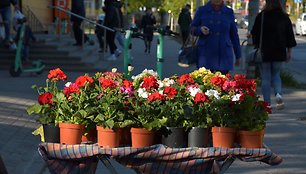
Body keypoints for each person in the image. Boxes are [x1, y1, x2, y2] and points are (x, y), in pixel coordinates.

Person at [251, 0, 296, 109]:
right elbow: (290, 35)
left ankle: (267, 103)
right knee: (276, 75)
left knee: (265, 77)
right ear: (279, 4)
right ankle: (278, 95)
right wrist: (289, 51)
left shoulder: (262, 16)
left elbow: (254, 32)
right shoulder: (284, 17)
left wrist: (256, 44)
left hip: (264, 52)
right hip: (279, 52)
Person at [190, 0, 241, 74]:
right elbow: (192, 28)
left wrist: (238, 55)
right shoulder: (202, 10)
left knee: (223, 83)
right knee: (205, 83)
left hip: (223, 56)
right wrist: (200, 30)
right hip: (205, 55)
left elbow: (234, 35)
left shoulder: (228, 12)